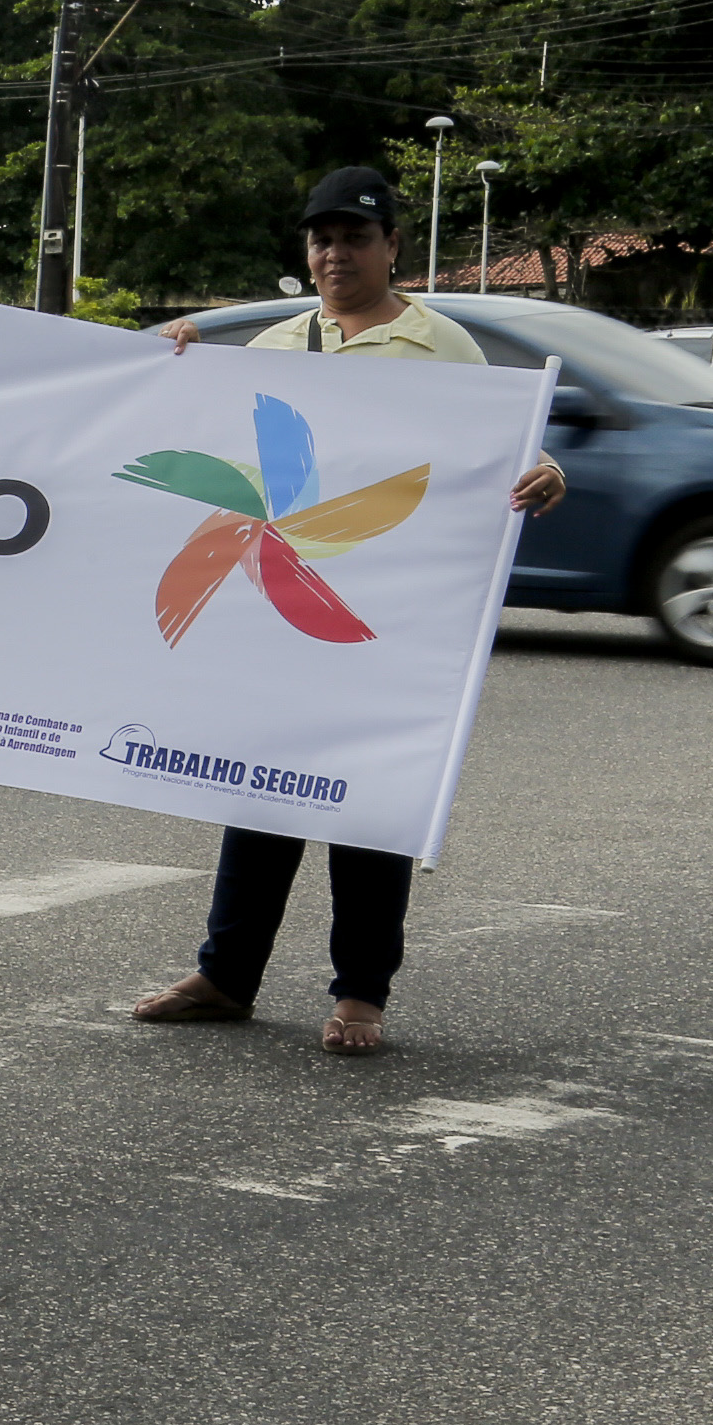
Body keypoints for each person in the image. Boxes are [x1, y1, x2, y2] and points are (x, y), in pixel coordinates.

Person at [134, 164, 568, 1055]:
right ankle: (226, 976)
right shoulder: (277, 345)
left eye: (356, 238)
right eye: (322, 239)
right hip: (281, 601)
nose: (337, 254)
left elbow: (500, 455)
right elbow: (206, 439)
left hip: (386, 613)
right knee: (261, 789)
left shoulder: (443, 348)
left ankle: (362, 992)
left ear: (392, 246)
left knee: (370, 800)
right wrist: (173, 363)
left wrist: (549, 471)